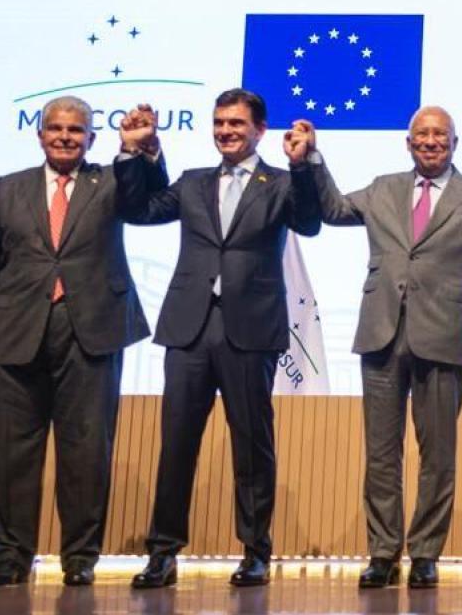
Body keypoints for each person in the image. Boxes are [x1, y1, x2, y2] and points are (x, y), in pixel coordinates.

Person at [287, 107, 462, 589]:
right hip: (381, 332)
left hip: (442, 335)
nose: (430, 141)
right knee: (381, 454)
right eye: (421, 134)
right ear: (408, 142)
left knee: (437, 455)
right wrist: (312, 159)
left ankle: (424, 554)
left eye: (440, 134)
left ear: (454, 143)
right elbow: (335, 210)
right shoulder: (383, 187)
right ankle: (382, 553)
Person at [0, 97, 162, 587]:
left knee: (87, 451)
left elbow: (147, 203)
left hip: (90, 331)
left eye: (76, 130)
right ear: (40, 134)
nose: (65, 136)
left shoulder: (113, 180)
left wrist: (144, 151)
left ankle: (79, 558)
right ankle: (11, 555)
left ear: (91, 138)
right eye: (56, 129)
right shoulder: (9, 189)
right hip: (13, 332)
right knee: (11, 452)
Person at [121, 89, 322, 590]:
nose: (225, 130)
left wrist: (302, 165)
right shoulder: (192, 182)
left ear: (259, 129)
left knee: (252, 444)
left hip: (251, 328)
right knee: (177, 445)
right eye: (219, 122)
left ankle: (255, 552)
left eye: (236, 123)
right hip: (190, 326)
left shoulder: (277, 183)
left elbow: (311, 222)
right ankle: (162, 554)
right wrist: (136, 153)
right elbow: (139, 209)